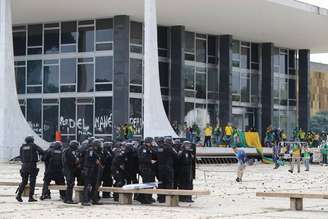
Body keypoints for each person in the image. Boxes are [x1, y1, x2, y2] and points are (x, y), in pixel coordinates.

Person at [16, 136, 44, 202]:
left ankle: (19, 195)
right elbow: (42, 151)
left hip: (24, 165)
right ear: (32, 140)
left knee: (24, 181)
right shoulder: (33, 145)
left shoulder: (22, 147)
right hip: (32, 165)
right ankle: (30, 197)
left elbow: (21, 156)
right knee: (32, 182)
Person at [81, 139, 103, 206]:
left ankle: (94, 199)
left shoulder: (97, 152)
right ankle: (85, 200)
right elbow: (89, 159)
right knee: (87, 186)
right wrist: (95, 161)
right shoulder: (90, 151)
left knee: (95, 186)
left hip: (94, 172)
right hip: (89, 171)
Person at [155, 138, 177, 203]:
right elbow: (176, 156)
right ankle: (169, 198)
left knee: (161, 183)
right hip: (168, 168)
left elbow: (155, 156)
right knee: (169, 183)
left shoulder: (158, 148)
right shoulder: (169, 147)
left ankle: (161, 198)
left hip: (160, 168)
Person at [137, 137, 157, 204]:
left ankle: (148, 196)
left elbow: (154, 154)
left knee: (151, 182)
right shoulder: (143, 148)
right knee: (147, 183)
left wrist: (154, 147)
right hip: (145, 168)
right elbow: (142, 158)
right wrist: (150, 161)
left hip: (150, 168)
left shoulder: (150, 148)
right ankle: (144, 197)